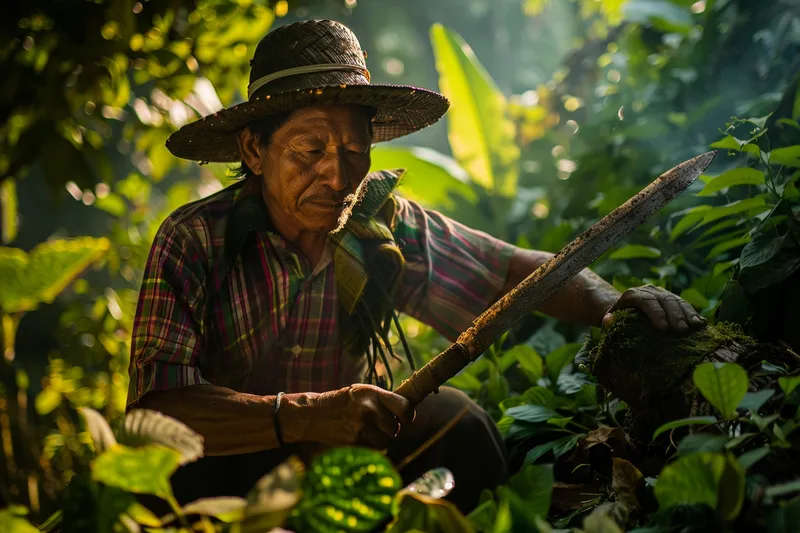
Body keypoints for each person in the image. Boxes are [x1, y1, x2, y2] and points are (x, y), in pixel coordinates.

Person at [127, 19, 704, 513]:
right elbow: (158, 409)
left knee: (460, 426)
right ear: (254, 150)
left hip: (346, 468)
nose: (337, 176)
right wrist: (305, 416)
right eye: (310, 150)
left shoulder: (378, 225)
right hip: (223, 487)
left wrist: (610, 303)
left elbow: (507, 274)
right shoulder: (195, 239)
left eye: (354, 150)